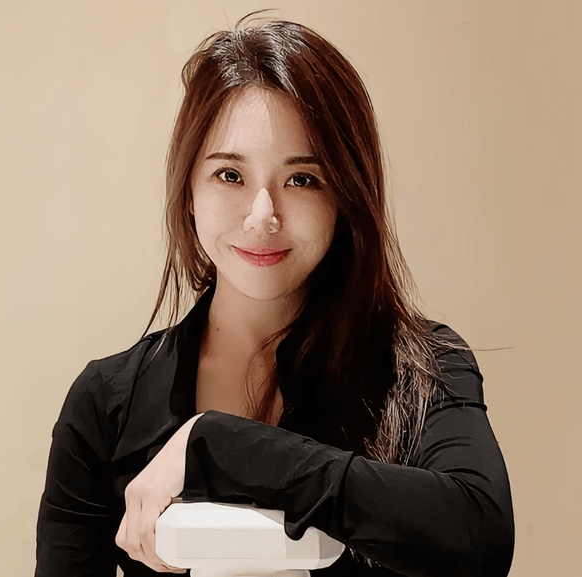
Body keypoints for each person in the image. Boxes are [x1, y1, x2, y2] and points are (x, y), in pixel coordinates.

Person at [34, 10, 515, 577]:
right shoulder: (105, 404)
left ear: (345, 199)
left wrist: (218, 446)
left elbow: (479, 537)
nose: (262, 216)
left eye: (302, 179)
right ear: (187, 192)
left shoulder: (421, 366)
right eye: (229, 175)